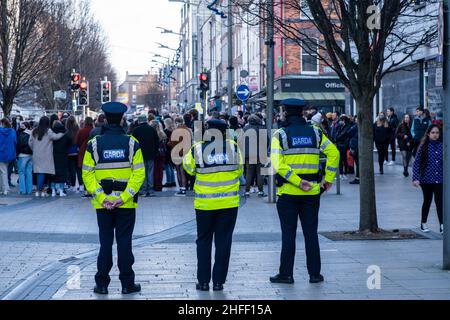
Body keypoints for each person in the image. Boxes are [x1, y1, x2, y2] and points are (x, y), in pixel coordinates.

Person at [269, 99, 339, 285]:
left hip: (288, 194)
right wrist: (329, 179)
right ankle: (315, 275)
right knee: (311, 234)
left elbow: (278, 164)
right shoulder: (316, 132)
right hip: (312, 195)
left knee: (288, 235)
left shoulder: (281, 135)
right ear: (302, 112)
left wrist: (298, 182)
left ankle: (286, 274)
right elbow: (334, 154)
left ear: (285, 112)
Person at [82, 102, 145, 295]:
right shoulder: (132, 143)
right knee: (124, 243)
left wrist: (101, 197)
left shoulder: (94, 144)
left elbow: (87, 173)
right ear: (122, 119)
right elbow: (139, 174)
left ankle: (102, 283)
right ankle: (127, 284)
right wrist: (124, 197)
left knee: (105, 243)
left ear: (105, 119)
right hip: (126, 204)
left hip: (103, 205)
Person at [182, 119, 244, 292]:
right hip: (228, 203)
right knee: (224, 242)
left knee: (203, 241)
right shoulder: (232, 147)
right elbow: (240, 170)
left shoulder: (198, 149)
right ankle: (218, 282)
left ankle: (203, 282)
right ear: (224, 133)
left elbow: (188, 168)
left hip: (205, 204)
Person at [412, 125, 443, 234]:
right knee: (427, 201)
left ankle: (442, 225)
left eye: (437, 133)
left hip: (440, 179)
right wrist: (415, 178)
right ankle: (423, 223)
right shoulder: (423, 147)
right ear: (429, 134)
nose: (435, 135)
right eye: (433, 133)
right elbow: (416, 164)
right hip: (426, 180)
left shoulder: (442, 146)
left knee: (440, 202)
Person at [28, 116, 64, 197]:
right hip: (46, 155)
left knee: (39, 173)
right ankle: (40, 190)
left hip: (36, 155)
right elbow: (55, 137)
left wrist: (34, 149)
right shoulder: (48, 131)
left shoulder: (34, 131)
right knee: (45, 173)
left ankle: (38, 190)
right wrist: (62, 133)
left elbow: (30, 142)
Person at [132, 114, 159, 197]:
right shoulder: (152, 129)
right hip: (151, 154)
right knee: (150, 172)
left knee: (142, 172)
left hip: (140, 155)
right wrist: (155, 151)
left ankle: (143, 190)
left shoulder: (136, 130)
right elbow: (156, 141)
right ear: (146, 120)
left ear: (139, 121)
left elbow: (133, 143)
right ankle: (150, 190)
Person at [241, 114, 266, 197]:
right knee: (260, 172)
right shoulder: (262, 128)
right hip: (260, 154)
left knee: (249, 172)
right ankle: (260, 191)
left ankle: (247, 191)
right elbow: (267, 141)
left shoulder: (245, 129)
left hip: (249, 154)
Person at [168, 116, 192, 196]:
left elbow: (171, 143)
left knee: (179, 171)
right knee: (183, 172)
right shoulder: (188, 130)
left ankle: (181, 189)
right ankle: (184, 188)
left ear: (176, 122)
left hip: (177, 153)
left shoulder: (176, 131)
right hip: (186, 153)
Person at [51, 121, 71, 197]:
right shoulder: (65, 134)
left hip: (53, 155)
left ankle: (53, 190)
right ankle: (61, 190)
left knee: (53, 174)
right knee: (62, 173)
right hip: (63, 156)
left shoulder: (51, 134)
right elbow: (69, 143)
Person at [76, 117, 94, 197]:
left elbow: (77, 142)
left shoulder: (81, 131)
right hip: (93, 151)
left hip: (83, 152)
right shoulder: (94, 130)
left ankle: (86, 189)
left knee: (84, 171)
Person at [0, 118, 17, 196]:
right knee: (4, 171)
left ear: (2, 123)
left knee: (3, 172)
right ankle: (3, 188)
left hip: (1, 154)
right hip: (9, 154)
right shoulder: (12, 131)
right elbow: (15, 142)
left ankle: (5, 189)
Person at [16, 122, 34, 194]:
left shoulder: (22, 135)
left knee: (21, 172)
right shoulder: (32, 134)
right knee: (29, 172)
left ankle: (22, 190)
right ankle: (29, 190)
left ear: (26, 127)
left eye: (22, 126)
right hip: (31, 155)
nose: (20, 127)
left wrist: (17, 154)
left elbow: (19, 145)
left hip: (22, 155)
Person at [150, 120, 167, 192]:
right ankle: (159, 185)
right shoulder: (162, 133)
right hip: (161, 154)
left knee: (153, 170)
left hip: (154, 153)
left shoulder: (151, 133)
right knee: (160, 170)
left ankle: (154, 185)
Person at [163, 118, 176, 188]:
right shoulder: (173, 130)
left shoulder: (165, 131)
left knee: (167, 165)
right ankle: (173, 181)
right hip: (173, 149)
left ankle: (169, 181)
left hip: (167, 150)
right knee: (171, 166)